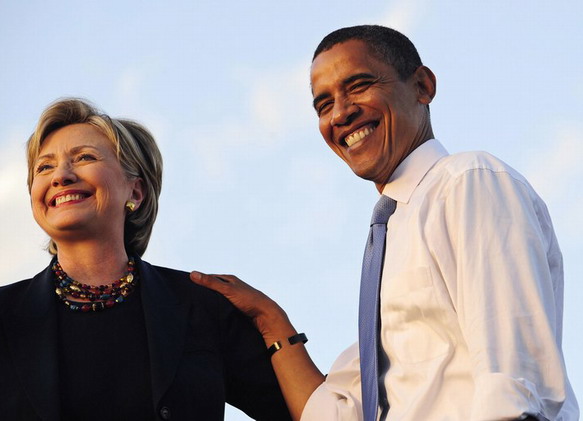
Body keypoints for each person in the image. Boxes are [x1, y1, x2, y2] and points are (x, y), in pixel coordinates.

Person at [191, 25, 579, 420]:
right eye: (324, 105)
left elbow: (514, 383)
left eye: (359, 86)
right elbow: (334, 415)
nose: (340, 113)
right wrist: (270, 320)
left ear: (422, 86)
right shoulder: (391, 235)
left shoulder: (466, 182)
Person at [0, 98, 291, 421]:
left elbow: (308, 412)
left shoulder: (203, 307)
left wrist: (271, 319)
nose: (60, 176)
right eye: (44, 167)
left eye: (85, 157)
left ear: (135, 192)